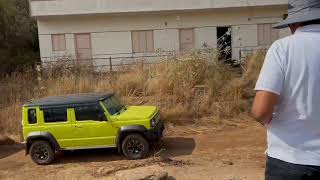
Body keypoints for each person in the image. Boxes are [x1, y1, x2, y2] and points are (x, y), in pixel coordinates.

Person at [251, 0, 320, 179]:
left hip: (290, 160)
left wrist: (270, 121)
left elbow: (260, 111)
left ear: (294, 23)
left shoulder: (282, 49)